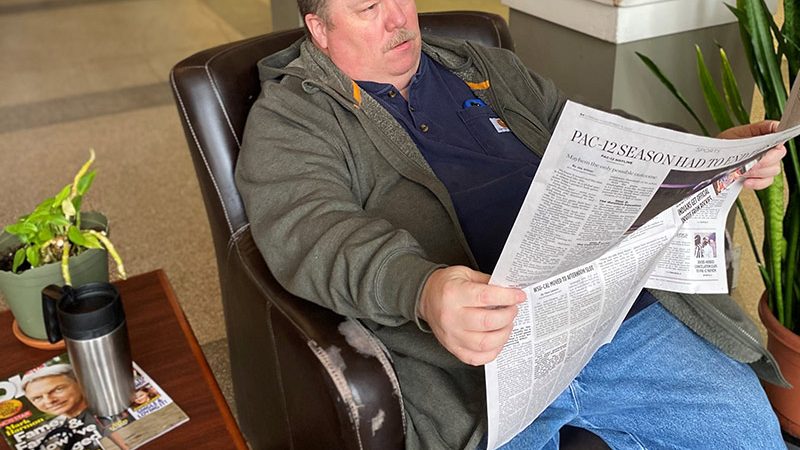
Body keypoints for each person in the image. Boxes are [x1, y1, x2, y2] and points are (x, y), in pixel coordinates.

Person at [235, 1, 789, 448]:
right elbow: (311, 230)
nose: (398, 18)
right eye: (367, 7)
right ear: (319, 30)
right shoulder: (293, 116)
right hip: (485, 361)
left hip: (617, 315)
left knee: (750, 435)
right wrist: (424, 290)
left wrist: (703, 155)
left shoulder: (486, 68)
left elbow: (600, 136)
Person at [22, 364, 130, 450]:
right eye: (37, 398)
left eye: (58, 389)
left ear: (80, 382)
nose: (49, 401)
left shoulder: (106, 408)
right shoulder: (63, 430)